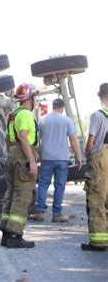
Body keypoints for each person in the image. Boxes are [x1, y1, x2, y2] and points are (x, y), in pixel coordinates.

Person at [0, 83, 39, 248]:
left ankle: (6, 234)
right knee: (22, 196)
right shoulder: (26, 115)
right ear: (30, 98)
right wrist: (31, 161)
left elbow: (8, 139)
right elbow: (23, 137)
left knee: (11, 193)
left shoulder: (12, 114)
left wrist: (13, 154)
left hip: (12, 154)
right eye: (35, 97)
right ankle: (15, 235)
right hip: (23, 154)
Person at [31, 98, 82, 222]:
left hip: (47, 158)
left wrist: (40, 155)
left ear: (53, 106)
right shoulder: (67, 120)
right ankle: (57, 214)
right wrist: (78, 157)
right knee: (59, 186)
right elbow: (73, 139)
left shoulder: (43, 120)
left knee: (43, 184)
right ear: (62, 107)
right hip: (62, 159)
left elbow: (39, 140)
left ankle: (40, 212)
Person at [81, 83, 108, 251]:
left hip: (99, 160)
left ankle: (98, 242)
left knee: (96, 200)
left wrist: (87, 152)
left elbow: (91, 141)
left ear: (100, 96)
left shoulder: (98, 116)